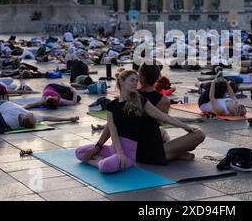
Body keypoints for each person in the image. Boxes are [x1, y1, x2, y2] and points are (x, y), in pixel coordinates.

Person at [75, 70, 205, 174]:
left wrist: (185, 127)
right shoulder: (112, 106)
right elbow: (112, 130)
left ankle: (97, 162)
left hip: (131, 153)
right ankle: (101, 160)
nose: (135, 83)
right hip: (117, 149)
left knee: (105, 167)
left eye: (136, 81)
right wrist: (101, 148)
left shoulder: (140, 100)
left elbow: (163, 117)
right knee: (79, 152)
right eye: (132, 80)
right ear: (121, 81)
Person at [0, 100, 79, 130]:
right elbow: (49, 118)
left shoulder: (11, 121)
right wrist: (69, 118)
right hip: (3, 102)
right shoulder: (30, 117)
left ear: (25, 118)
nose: (32, 114)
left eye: (30, 115)